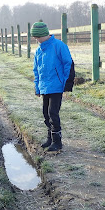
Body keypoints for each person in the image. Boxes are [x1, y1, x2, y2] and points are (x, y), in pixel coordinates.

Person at [31, 21, 72, 152]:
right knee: (45, 114)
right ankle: (50, 138)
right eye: (35, 38)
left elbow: (68, 64)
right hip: (45, 87)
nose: (37, 40)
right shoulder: (38, 50)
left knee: (53, 113)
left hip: (56, 86)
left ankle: (57, 141)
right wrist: (37, 87)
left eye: (38, 37)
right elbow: (36, 70)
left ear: (44, 34)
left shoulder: (58, 46)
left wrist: (66, 83)